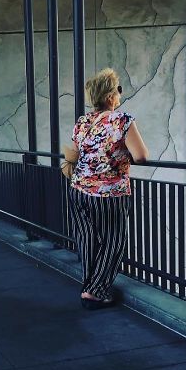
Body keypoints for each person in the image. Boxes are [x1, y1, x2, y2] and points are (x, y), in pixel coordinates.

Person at [69, 68, 149, 310]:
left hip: (78, 189)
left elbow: (73, 155)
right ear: (110, 96)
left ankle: (89, 286)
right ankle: (95, 292)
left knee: (87, 239)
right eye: (118, 90)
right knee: (114, 240)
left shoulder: (82, 122)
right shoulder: (122, 120)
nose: (120, 94)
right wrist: (120, 156)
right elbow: (141, 156)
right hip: (109, 193)